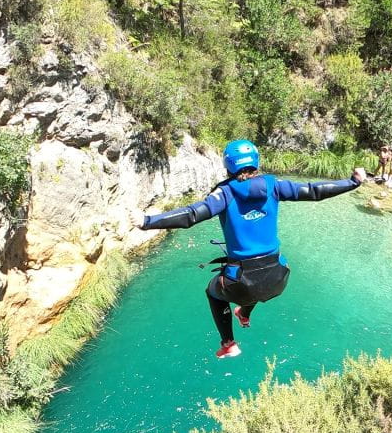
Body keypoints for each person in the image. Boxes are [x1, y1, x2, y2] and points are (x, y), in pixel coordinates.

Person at [135, 139, 367, 359]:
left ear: (228, 165)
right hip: (278, 279)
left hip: (242, 282)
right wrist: (353, 182)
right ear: (256, 161)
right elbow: (314, 191)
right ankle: (244, 314)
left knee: (215, 291)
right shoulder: (273, 185)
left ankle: (229, 344)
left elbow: (192, 214)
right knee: (253, 278)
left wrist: (147, 221)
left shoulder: (225, 192)